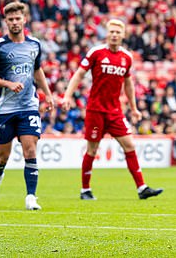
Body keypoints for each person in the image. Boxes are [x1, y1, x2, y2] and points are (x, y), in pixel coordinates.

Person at [61, 19, 163, 200]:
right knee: (92, 150)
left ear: (123, 35)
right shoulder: (96, 52)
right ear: (107, 34)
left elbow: (128, 83)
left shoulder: (127, 57)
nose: (114, 35)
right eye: (112, 32)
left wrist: (133, 108)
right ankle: (85, 190)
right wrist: (68, 96)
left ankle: (142, 188)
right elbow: (79, 74)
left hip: (115, 112)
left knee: (130, 145)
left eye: (118, 32)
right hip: (95, 111)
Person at [0, 1, 54, 210]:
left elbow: (37, 70)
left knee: (30, 150)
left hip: (29, 106)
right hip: (5, 108)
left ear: (25, 19)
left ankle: (31, 196)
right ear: (6, 21)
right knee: (3, 155)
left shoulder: (35, 45)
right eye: (10, 19)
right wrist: (8, 83)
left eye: (17, 18)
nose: (14, 22)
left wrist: (48, 95)